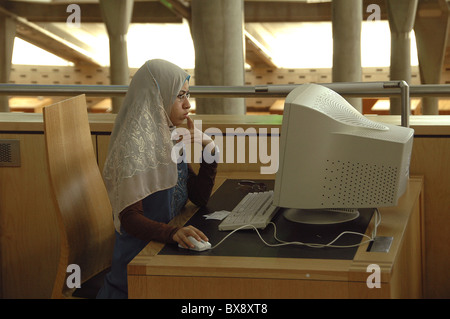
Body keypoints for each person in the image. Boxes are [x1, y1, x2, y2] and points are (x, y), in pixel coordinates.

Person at [97, 59, 218, 299]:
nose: (188, 105)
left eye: (188, 95)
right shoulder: (133, 147)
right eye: (179, 96)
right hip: (139, 268)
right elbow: (130, 219)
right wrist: (173, 233)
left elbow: (198, 196)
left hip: (165, 252)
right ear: (156, 97)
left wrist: (209, 147)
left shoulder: (170, 135)